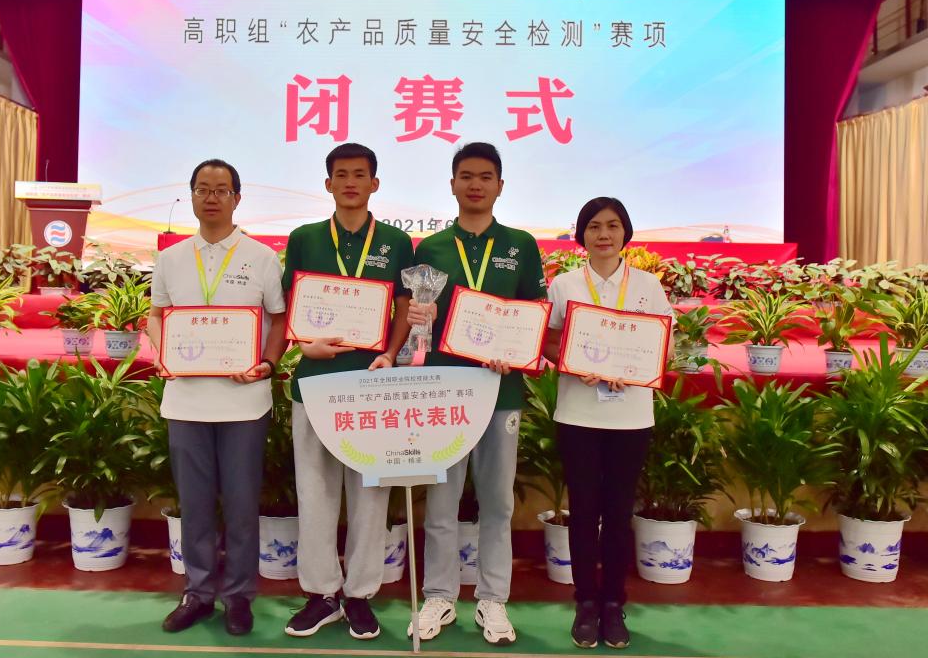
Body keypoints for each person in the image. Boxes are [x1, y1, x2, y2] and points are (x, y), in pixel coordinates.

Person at [406, 142, 547, 646]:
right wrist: (418, 318)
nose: (475, 185)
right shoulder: (431, 249)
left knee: (497, 502)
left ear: (500, 186)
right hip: (444, 389)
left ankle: (492, 599)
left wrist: (518, 352)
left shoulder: (520, 245)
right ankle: (440, 596)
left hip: (501, 390)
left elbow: (535, 313)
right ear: (452, 184)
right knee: (442, 502)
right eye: (466, 176)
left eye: (485, 177)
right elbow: (419, 323)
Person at [147, 159, 287, 636]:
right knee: (195, 503)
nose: (212, 197)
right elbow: (157, 316)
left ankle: (239, 596)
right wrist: (162, 353)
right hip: (185, 400)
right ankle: (199, 592)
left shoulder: (261, 257)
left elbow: (278, 320)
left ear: (236, 199)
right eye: (203, 189)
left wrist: (267, 363)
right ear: (191, 196)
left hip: (244, 402)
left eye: (221, 189)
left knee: (243, 505)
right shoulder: (170, 258)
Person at [281, 143, 415, 640]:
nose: (351, 182)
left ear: (375, 183)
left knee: (369, 494)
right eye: (342, 174)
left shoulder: (397, 242)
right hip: (315, 383)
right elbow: (290, 304)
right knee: (315, 491)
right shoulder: (305, 238)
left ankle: (359, 595)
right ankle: (321, 595)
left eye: (360, 174)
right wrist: (303, 345)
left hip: (372, 384)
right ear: (328, 183)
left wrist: (391, 353)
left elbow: (405, 306)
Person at [542, 197, 673, 650]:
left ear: (625, 233)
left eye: (613, 225)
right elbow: (548, 341)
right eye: (594, 226)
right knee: (583, 512)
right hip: (578, 414)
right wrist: (573, 363)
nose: (603, 234)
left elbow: (664, 345)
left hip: (631, 417)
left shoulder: (648, 286)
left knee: (618, 513)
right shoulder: (564, 285)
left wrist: (633, 370)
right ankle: (585, 603)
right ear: (581, 234)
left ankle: (614, 603)